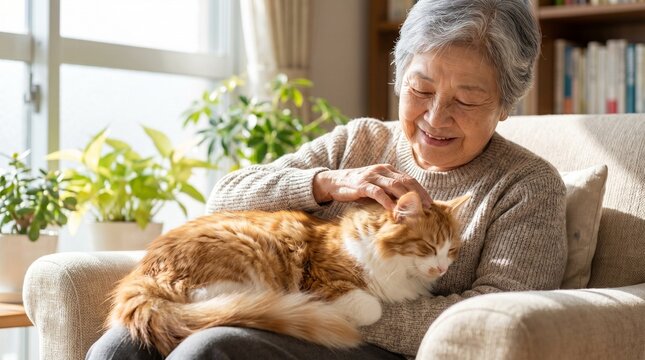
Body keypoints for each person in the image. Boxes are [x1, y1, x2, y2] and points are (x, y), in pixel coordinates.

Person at [87, 0, 567, 359]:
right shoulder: (360, 141)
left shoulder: (527, 185)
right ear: (400, 80)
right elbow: (225, 199)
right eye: (420, 89)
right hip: (283, 306)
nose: (435, 117)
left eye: (466, 100)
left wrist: (335, 306)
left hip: (381, 346)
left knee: (211, 350)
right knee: (120, 348)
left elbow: (499, 320)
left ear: (506, 105)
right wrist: (324, 184)